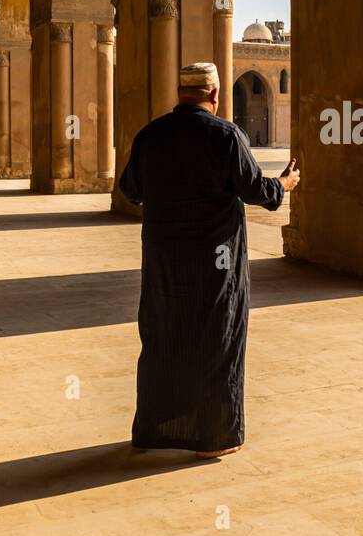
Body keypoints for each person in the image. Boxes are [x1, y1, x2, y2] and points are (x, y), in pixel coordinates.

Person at [119, 61, 301, 458]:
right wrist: (283, 184)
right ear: (215, 94)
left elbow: (130, 190)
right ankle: (214, 436)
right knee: (216, 338)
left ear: (179, 92)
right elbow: (256, 192)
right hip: (216, 262)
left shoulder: (151, 136)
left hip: (165, 260)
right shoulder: (226, 136)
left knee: (163, 336)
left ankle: (155, 430)